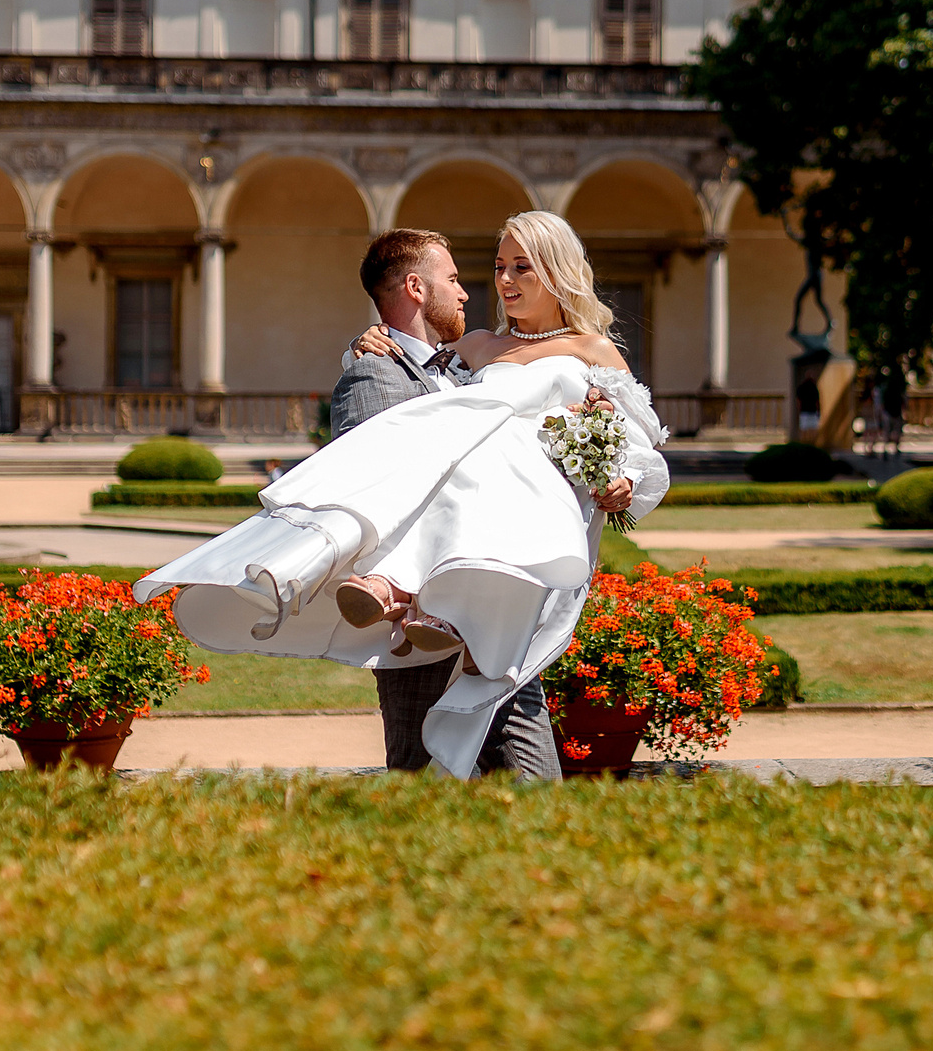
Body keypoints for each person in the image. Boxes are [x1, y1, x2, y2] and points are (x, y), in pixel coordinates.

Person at [134, 212, 667, 779]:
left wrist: (624, 479)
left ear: (557, 272)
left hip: (515, 562)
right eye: (498, 267)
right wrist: (363, 345)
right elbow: (402, 435)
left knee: (527, 772)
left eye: (522, 267)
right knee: (424, 778)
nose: (502, 281)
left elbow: (638, 436)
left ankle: (452, 622)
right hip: (438, 589)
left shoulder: (593, 350)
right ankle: (408, 597)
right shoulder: (476, 348)